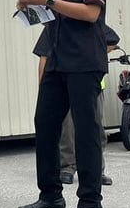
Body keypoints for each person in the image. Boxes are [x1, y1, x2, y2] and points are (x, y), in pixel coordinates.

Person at [15, 0, 111, 208]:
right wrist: (30, 7)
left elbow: (91, 13)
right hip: (56, 59)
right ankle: (51, 195)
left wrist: (47, 0)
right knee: (44, 124)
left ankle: (91, 203)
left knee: (85, 130)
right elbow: (50, 15)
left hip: (84, 61)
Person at [34, 24, 119, 186]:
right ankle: (67, 167)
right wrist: (43, 86)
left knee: (94, 129)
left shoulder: (90, 23)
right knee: (67, 128)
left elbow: (113, 40)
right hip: (62, 84)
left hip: (91, 85)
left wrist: (95, 51)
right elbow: (44, 56)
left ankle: (97, 170)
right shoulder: (54, 26)